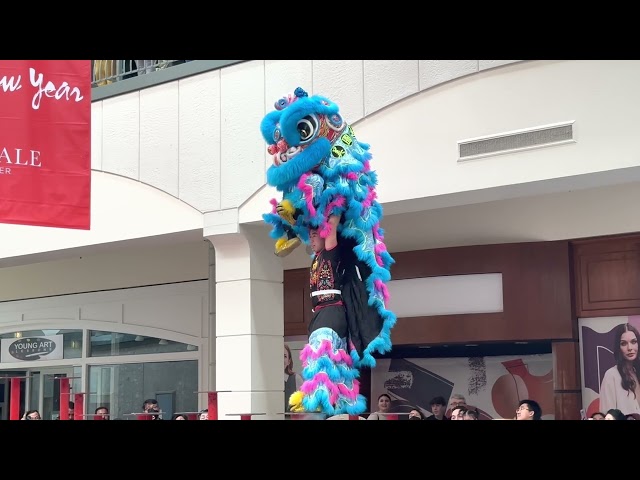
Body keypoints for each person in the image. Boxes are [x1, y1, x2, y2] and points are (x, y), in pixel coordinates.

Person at [288, 215, 367, 415]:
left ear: (325, 235)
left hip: (331, 311)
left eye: (315, 235)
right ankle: (337, 403)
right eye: (310, 236)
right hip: (319, 314)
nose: (311, 239)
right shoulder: (315, 259)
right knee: (330, 359)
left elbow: (331, 225)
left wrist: (333, 199)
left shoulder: (330, 253)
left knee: (324, 356)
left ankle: (321, 398)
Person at [600, 323, 640, 415]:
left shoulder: (636, 373)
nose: (630, 348)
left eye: (633, 342)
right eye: (624, 343)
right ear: (618, 347)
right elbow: (607, 415)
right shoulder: (611, 376)